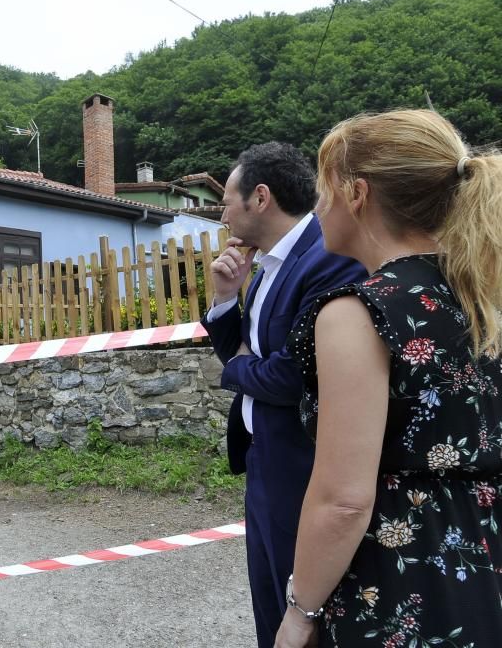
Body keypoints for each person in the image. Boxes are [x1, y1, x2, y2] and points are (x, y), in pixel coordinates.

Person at [275, 109, 502, 647]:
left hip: (404, 578)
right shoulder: (485, 298)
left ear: (357, 193)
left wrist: (300, 611)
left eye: (321, 189)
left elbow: (343, 501)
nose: (317, 207)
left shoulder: (359, 312)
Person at [201, 142, 366, 647]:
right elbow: (249, 353)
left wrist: (237, 369)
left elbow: (291, 377)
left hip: (300, 466)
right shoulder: (268, 262)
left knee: (304, 610)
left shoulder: (327, 259)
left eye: (228, 199)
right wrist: (227, 297)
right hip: (262, 459)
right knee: (269, 600)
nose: (222, 211)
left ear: (261, 198)